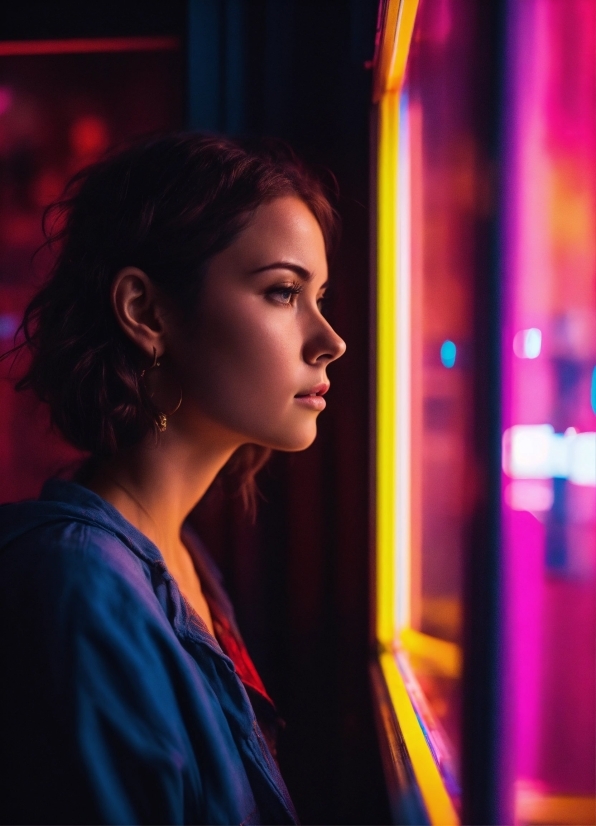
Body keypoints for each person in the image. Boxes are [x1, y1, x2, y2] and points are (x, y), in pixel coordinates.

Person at [0, 133, 346, 824]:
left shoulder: (179, 558)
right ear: (146, 312)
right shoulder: (81, 585)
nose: (329, 339)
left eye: (320, 295)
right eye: (283, 292)